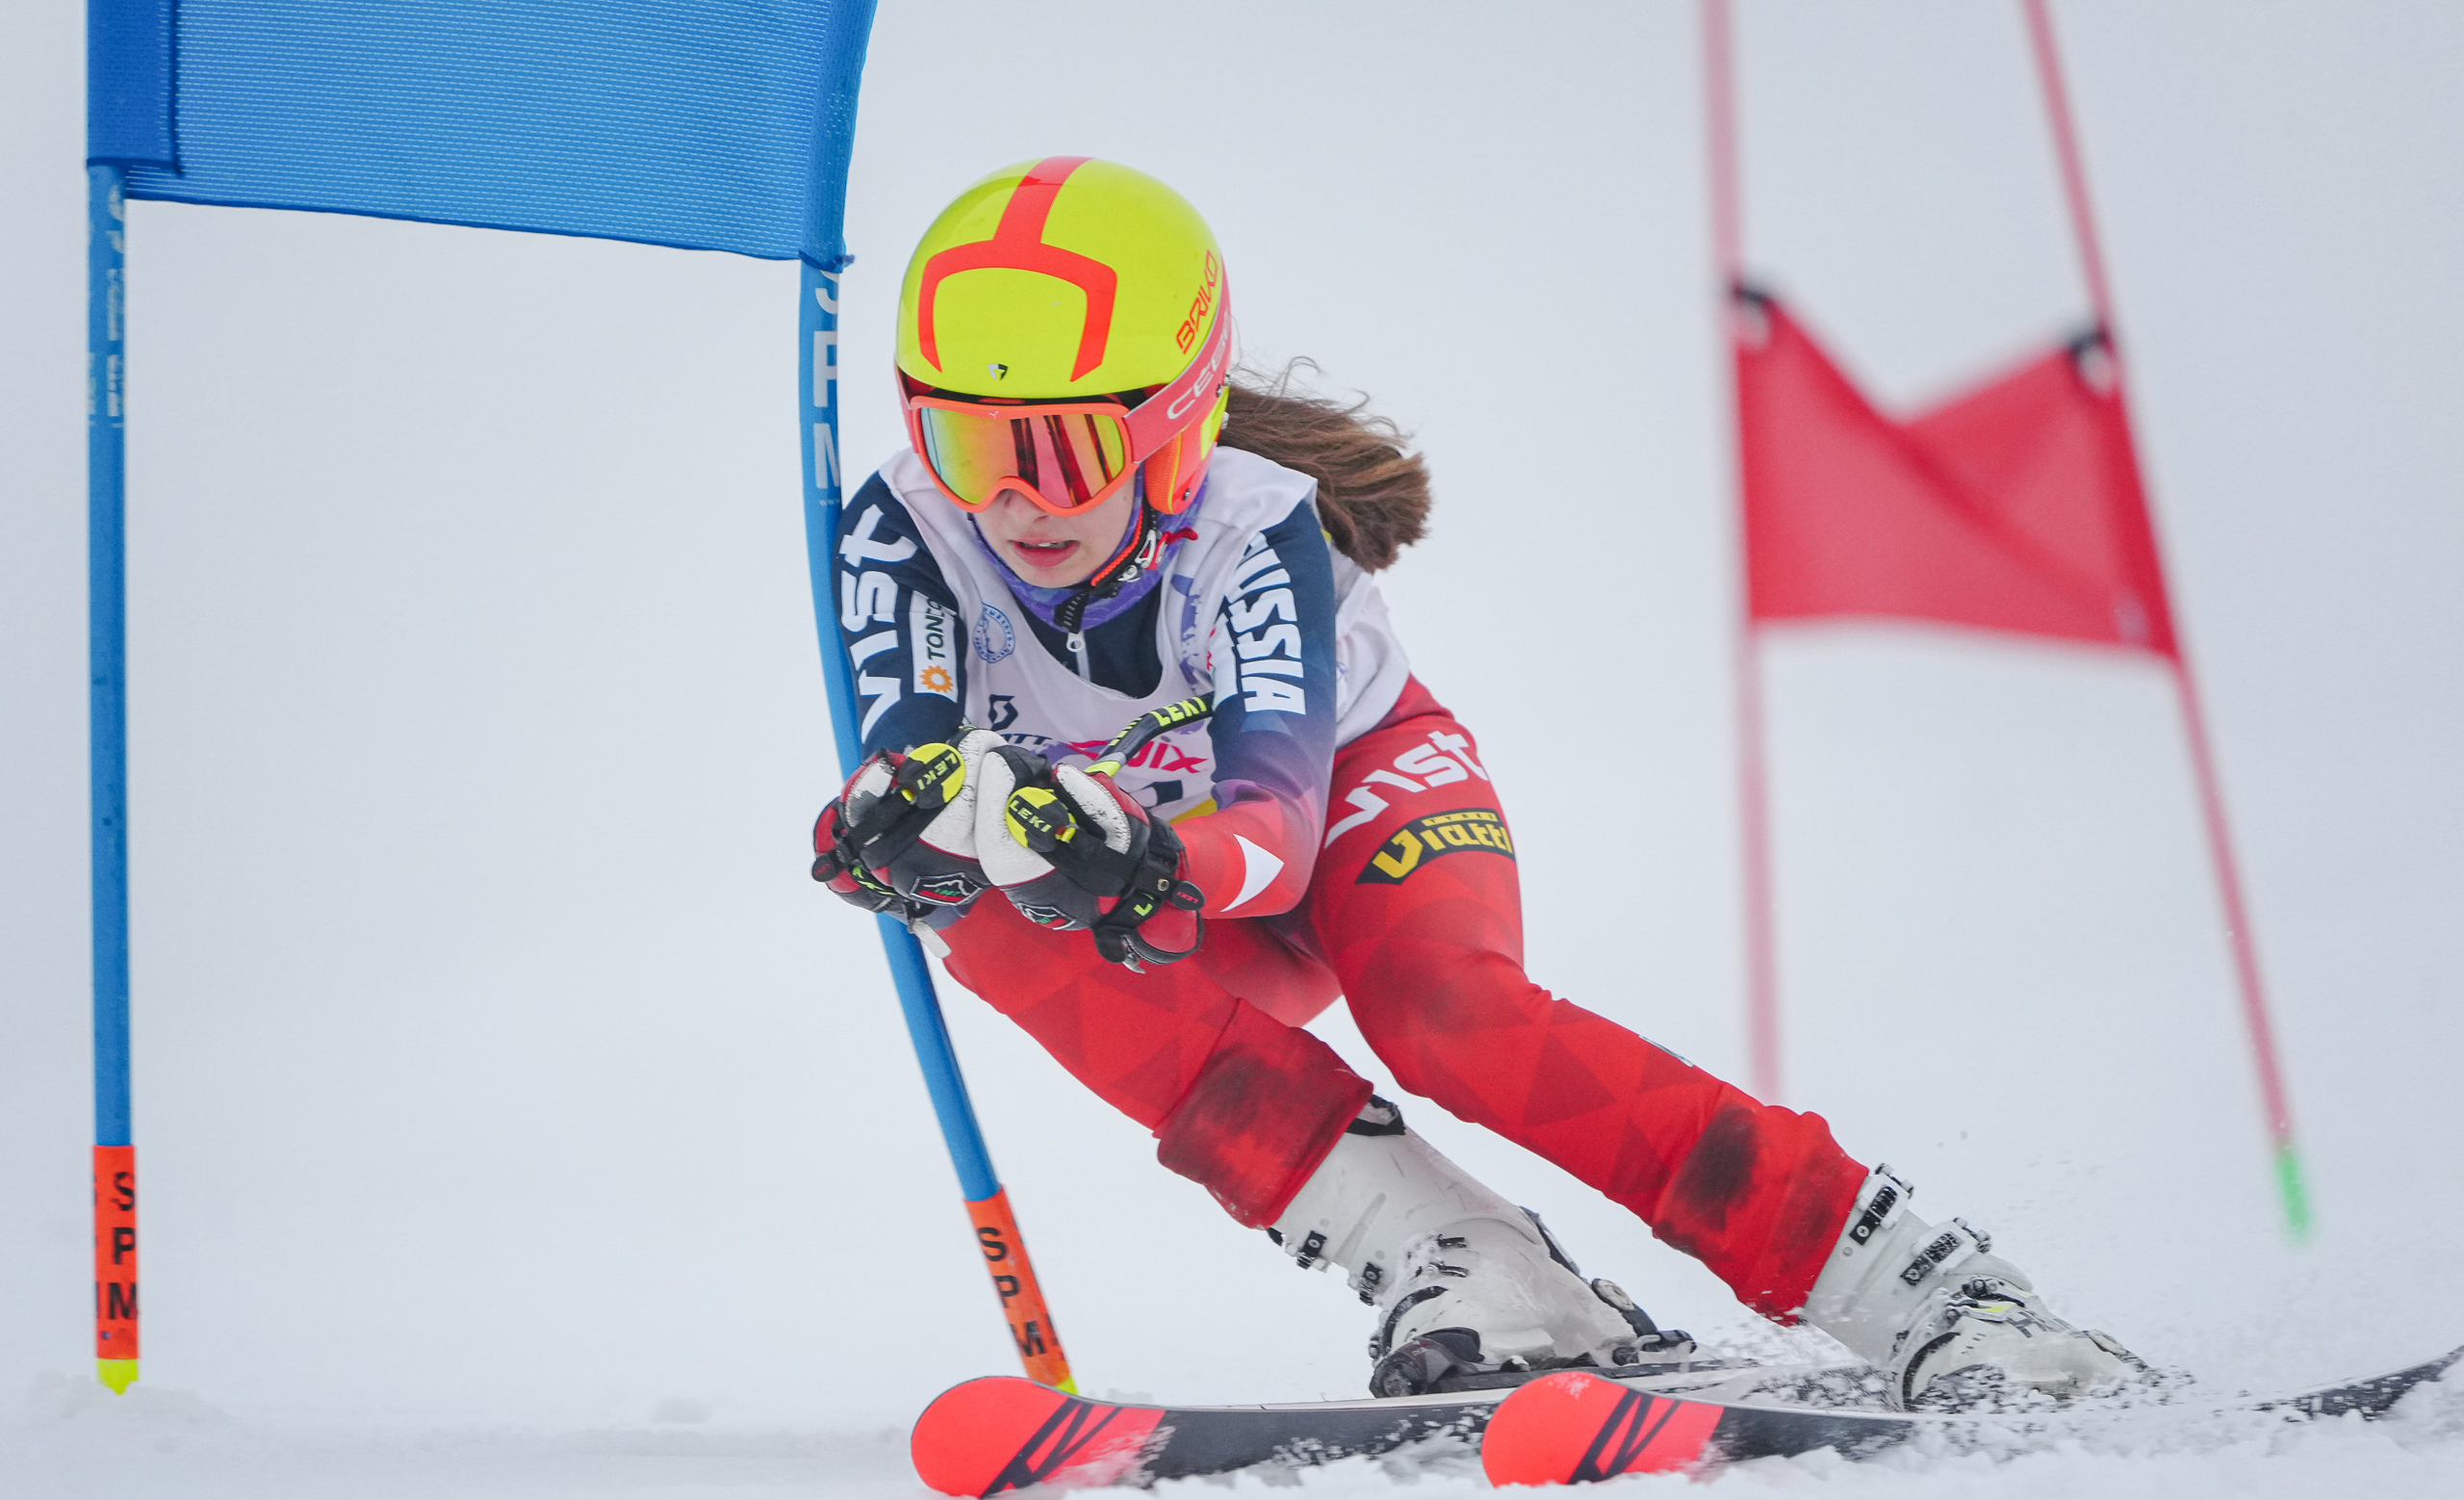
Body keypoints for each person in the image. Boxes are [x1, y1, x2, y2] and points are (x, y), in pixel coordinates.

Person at [813, 156, 2139, 1409]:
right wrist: (896, 825)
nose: (1012, 502)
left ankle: (1925, 1287)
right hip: (1173, 880)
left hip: (1350, 803)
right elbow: (912, 764)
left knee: (1443, 1013)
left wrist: (1145, 851)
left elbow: (1273, 830)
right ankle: (1465, 1255)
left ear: (1171, 426)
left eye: (1058, 450)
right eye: (964, 442)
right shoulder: (903, 526)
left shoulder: (1253, 521)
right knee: (969, 906)